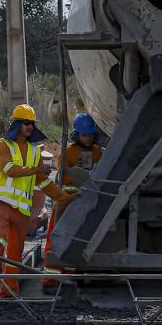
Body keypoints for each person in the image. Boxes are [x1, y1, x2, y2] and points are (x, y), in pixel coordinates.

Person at [0, 104, 76, 297]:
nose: (29, 127)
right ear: (17, 124)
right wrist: (36, 170)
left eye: (32, 124)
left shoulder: (35, 153)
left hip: (21, 211)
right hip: (1, 204)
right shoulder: (2, 146)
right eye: (26, 123)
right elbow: (8, 169)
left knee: (15, 252)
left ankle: (9, 290)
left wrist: (66, 198)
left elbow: (43, 184)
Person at [42, 113, 104, 293]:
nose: (88, 138)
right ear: (77, 135)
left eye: (91, 135)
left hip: (85, 204)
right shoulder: (68, 153)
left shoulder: (98, 152)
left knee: (76, 241)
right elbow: (63, 177)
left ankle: (68, 278)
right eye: (85, 135)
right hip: (65, 203)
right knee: (55, 238)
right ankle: (50, 280)